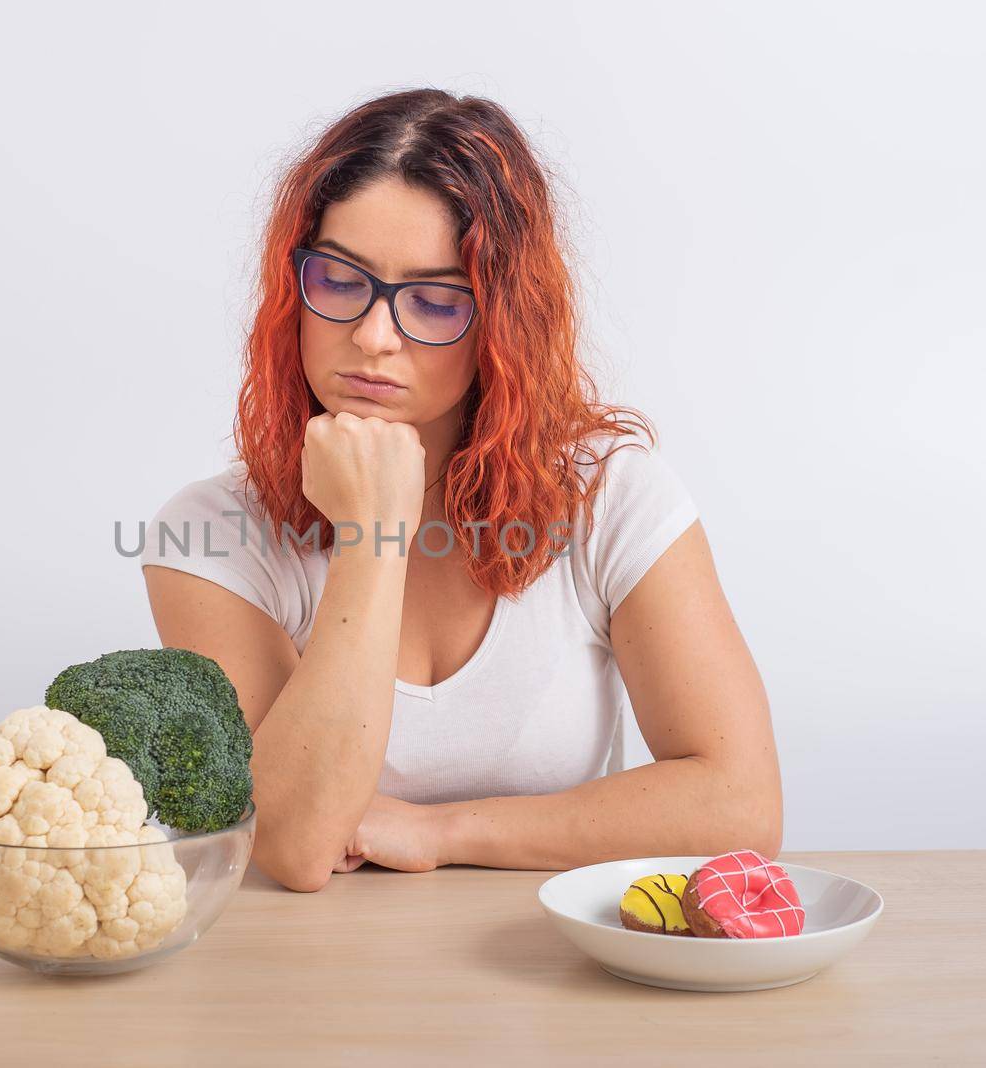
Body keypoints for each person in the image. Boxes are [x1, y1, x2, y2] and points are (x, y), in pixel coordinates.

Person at [137, 88, 781, 893]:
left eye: (435, 301)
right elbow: (295, 844)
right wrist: (372, 537)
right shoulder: (206, 536)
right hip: (302, 990)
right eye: (339, 281)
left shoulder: (613, 497)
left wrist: (439, 831)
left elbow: (741, 804)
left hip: (556, 977)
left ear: (503, 321)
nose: (374, 338)